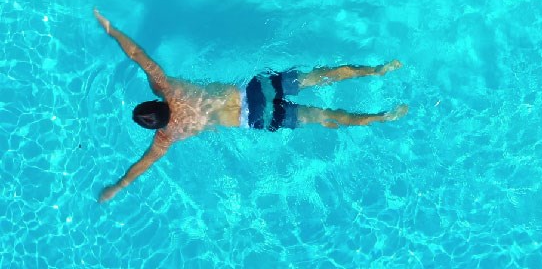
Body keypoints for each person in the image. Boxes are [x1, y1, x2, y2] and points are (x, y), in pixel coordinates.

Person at [93, 10, 407, 203]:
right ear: (154, 100)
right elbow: (138, 55)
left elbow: (143, 165)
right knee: (318, 77)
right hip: (252, 91)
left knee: (322, 116)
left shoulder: (168, 135)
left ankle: (382, 117)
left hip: (257, 117)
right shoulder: (167, 88)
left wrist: (118, 186)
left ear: (156, 126)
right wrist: (110, 29)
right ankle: (377, 70)